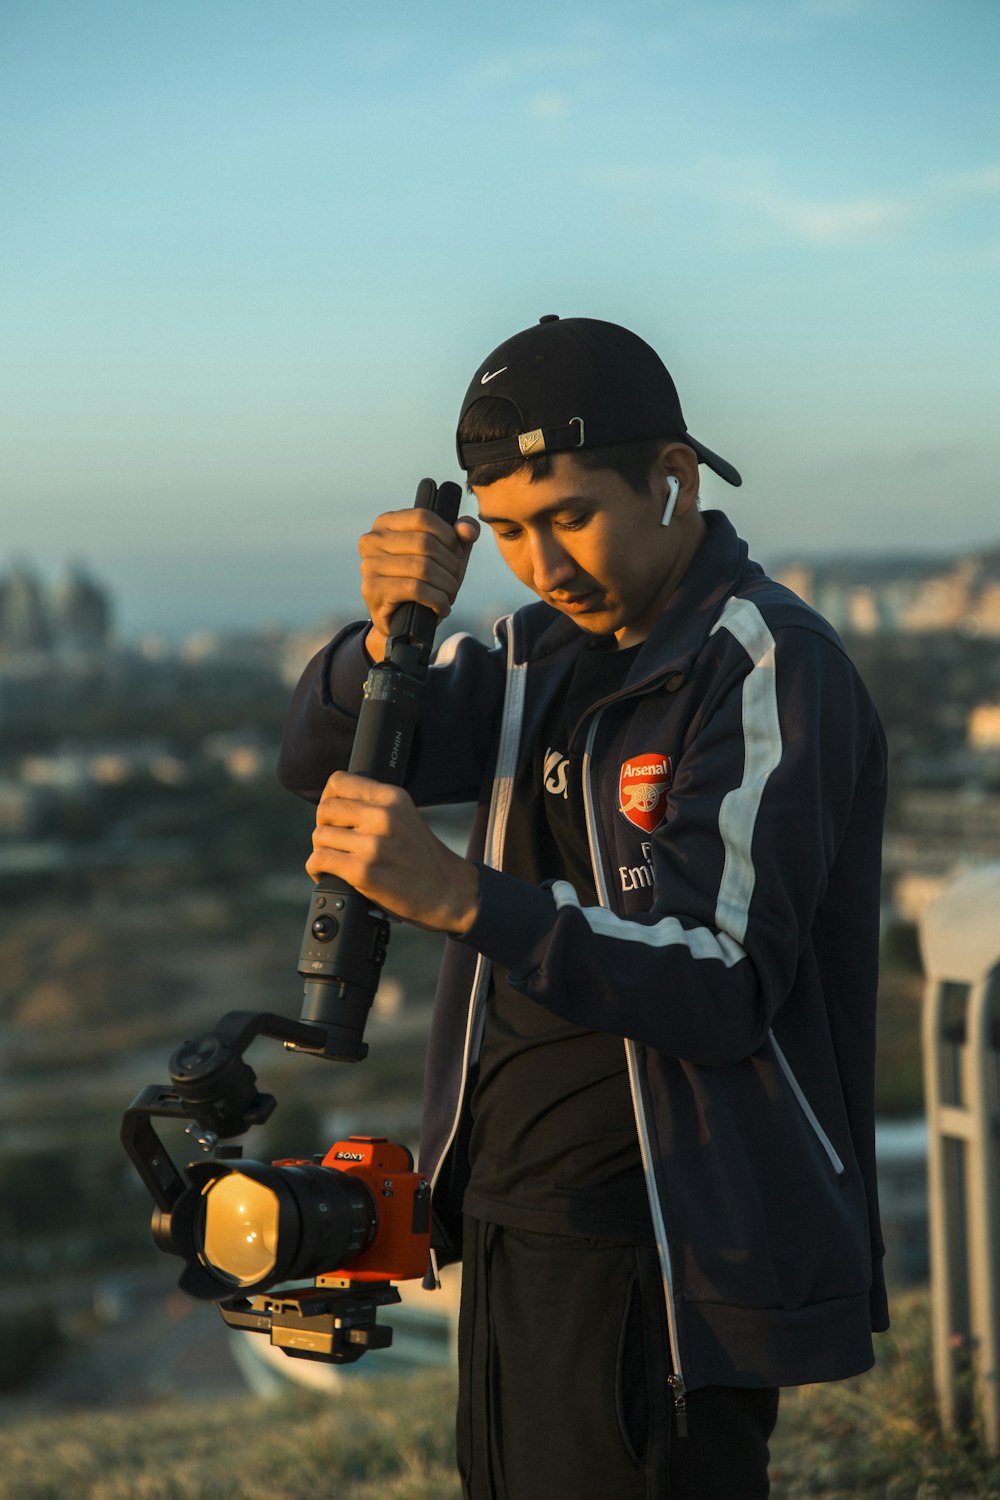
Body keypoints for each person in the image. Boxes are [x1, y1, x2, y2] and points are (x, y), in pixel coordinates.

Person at [278, 315, 889, 1499]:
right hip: (507, 1210)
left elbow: (724, 984)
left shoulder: (766, 664)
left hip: (663, 1235)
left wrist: (462, 896)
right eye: (506, 532)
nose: (544, 565)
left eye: (567, 517)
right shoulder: (529, 655)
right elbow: (320, 751)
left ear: (670, 480)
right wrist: (382, 635)